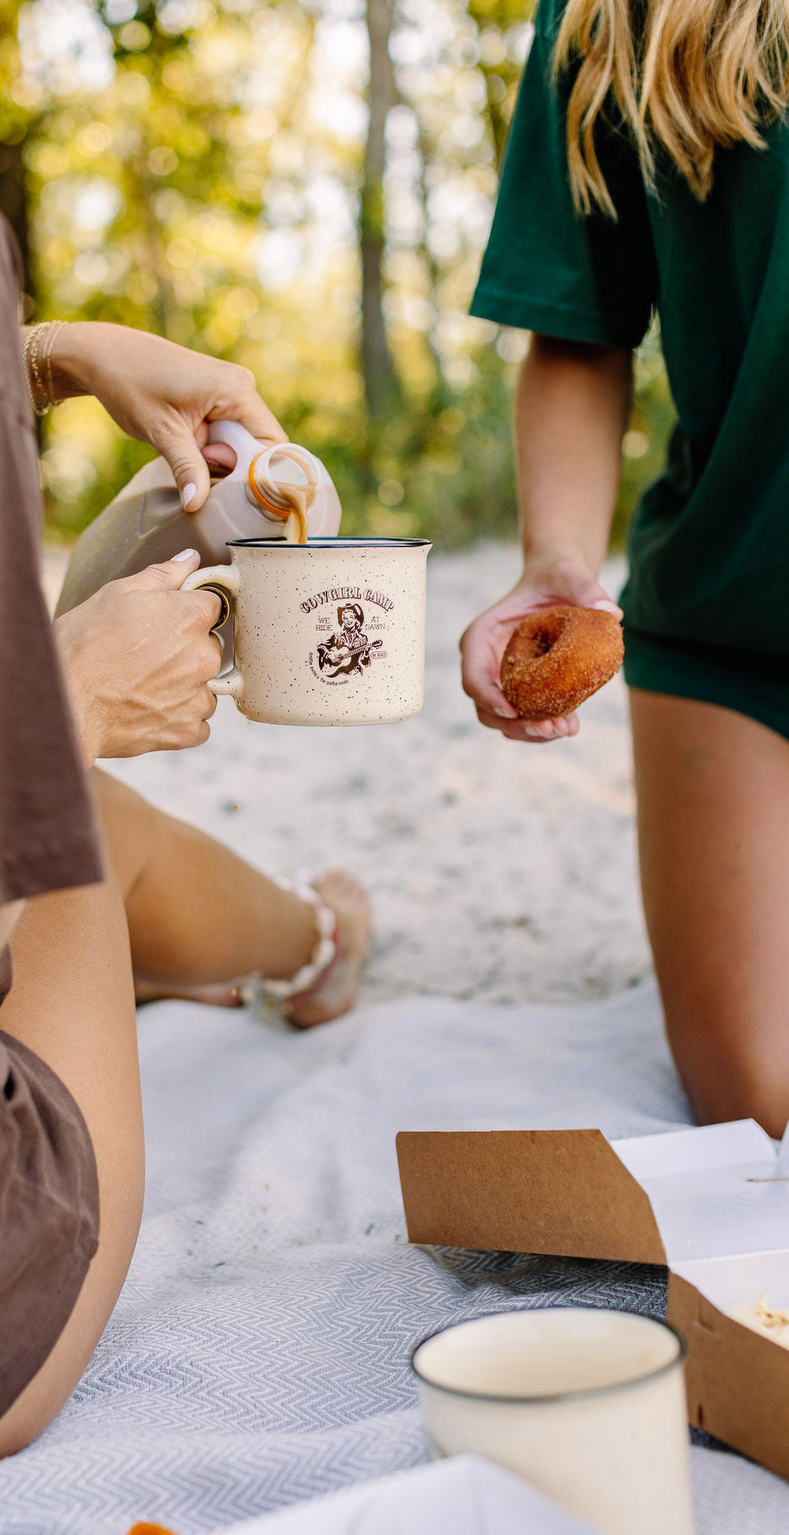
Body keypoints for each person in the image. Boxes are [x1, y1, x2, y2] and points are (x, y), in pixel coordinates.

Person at [0, 2, 370, 1528]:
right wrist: (68, 701)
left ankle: (304, 935)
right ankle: (319, 939)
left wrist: (18, 357)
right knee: (67, 810)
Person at [460, 0, 789, 1138]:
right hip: (729, 622)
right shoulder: (611, 16)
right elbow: (577, 328)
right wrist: (556, 562)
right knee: (759, 1108)